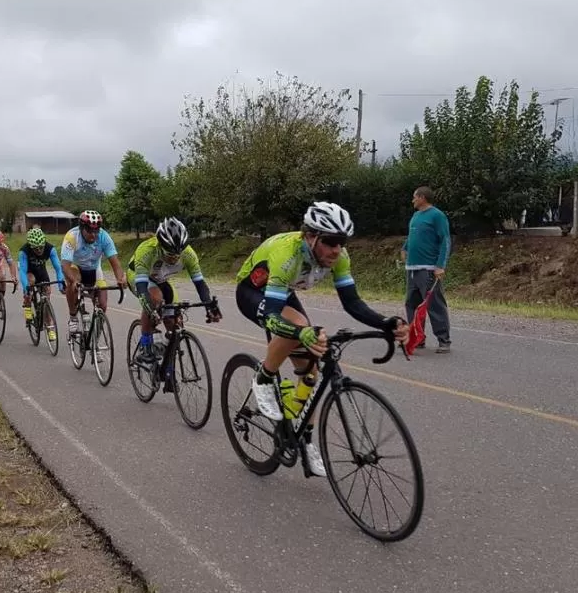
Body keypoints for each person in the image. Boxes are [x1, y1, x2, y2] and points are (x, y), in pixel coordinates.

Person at [234, 201, 409, 478]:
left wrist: (385, 323)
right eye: (330, 242)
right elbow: (271, 315)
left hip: (284, 291)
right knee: (301, 326)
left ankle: (305, 440)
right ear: (311, 236)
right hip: (254, 292)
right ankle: (264, 378)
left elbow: (352, 303)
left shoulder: (340, 257)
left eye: (342, 242)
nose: (337, 249)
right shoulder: (287, 254)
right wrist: (300, 333)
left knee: (312, 371)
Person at [128, 217, 221, 368]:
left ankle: (165, 356)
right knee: (155, 300)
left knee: (175, 321)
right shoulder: (147, 251)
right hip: (140, 277)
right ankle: (145, 347)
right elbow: (142, 288)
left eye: (178, 254)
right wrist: (151, 310)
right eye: (170, 254)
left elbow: (200, 283)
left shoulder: (189, 254)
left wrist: (209, 306)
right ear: (160, 245)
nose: (175, 258)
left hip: (163, 279)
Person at [60, 210, 128, 336]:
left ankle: (95, 341)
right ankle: (73, 317)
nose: (93, 235)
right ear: (82, 228)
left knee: (102, 304)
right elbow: (65, 266)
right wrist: (73, 281)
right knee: (73, 283)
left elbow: (115, 262)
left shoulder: (104, 237)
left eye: (96, 231)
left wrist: (120, 279)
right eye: (89, 231)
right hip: (76, 268)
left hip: (95, 269)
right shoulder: (72, 237)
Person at [402, 186, 452, 353]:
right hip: (412, 268)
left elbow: (445, 240)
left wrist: (440, 266)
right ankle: (418, 338)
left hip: (428, 268)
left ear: (422, 197)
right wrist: (405, 248)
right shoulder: (416, 216)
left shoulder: (437, 216)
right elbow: (412, 236)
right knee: (412, 304)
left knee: (434, 305)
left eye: (414, 197)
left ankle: (444, 340)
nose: (413, 200)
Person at [18, 227, 65, 328]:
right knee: (30, 283)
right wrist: (26, 287)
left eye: (41, 247)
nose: (39, 250)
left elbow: (58, 268)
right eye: (36, 248)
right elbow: (22, 270)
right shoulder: (24, 251)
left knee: (47, 292)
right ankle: (27, 306)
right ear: (30, 246)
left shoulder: (50, 249)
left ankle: (48, 324)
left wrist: (61, 284)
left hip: (41, 272)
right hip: (29, 271)